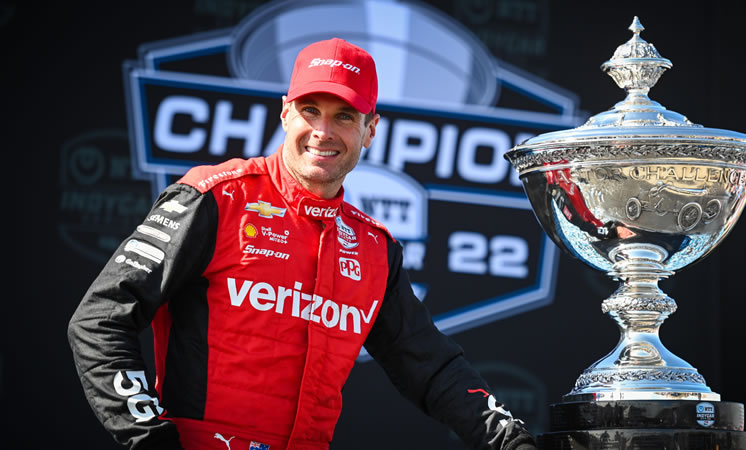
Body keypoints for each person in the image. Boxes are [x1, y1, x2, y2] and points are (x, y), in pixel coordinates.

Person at [68, 37, 538, 450]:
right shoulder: (215, 198)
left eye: (344, 116)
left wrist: (511, 441)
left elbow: (431, 369)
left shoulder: (375, 249)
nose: (323, 131)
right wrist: (148, 438)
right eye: (310, 109)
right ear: (284, 112)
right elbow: (99, 320)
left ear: (371, 130)